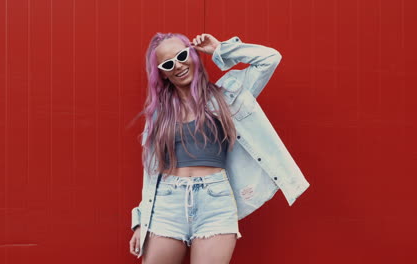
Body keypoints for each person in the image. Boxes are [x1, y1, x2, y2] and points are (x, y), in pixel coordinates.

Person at [129, 33, 311, 263]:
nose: (178, 65)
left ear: (193, 55)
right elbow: (151, 172)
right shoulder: (159, 114)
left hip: (215, 202)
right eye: (168, 64)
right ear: (163, 74)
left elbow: (270, 58)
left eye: (182, 55)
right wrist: (141, 221)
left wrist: (219, 50)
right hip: (167, 202)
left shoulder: (227, 95)